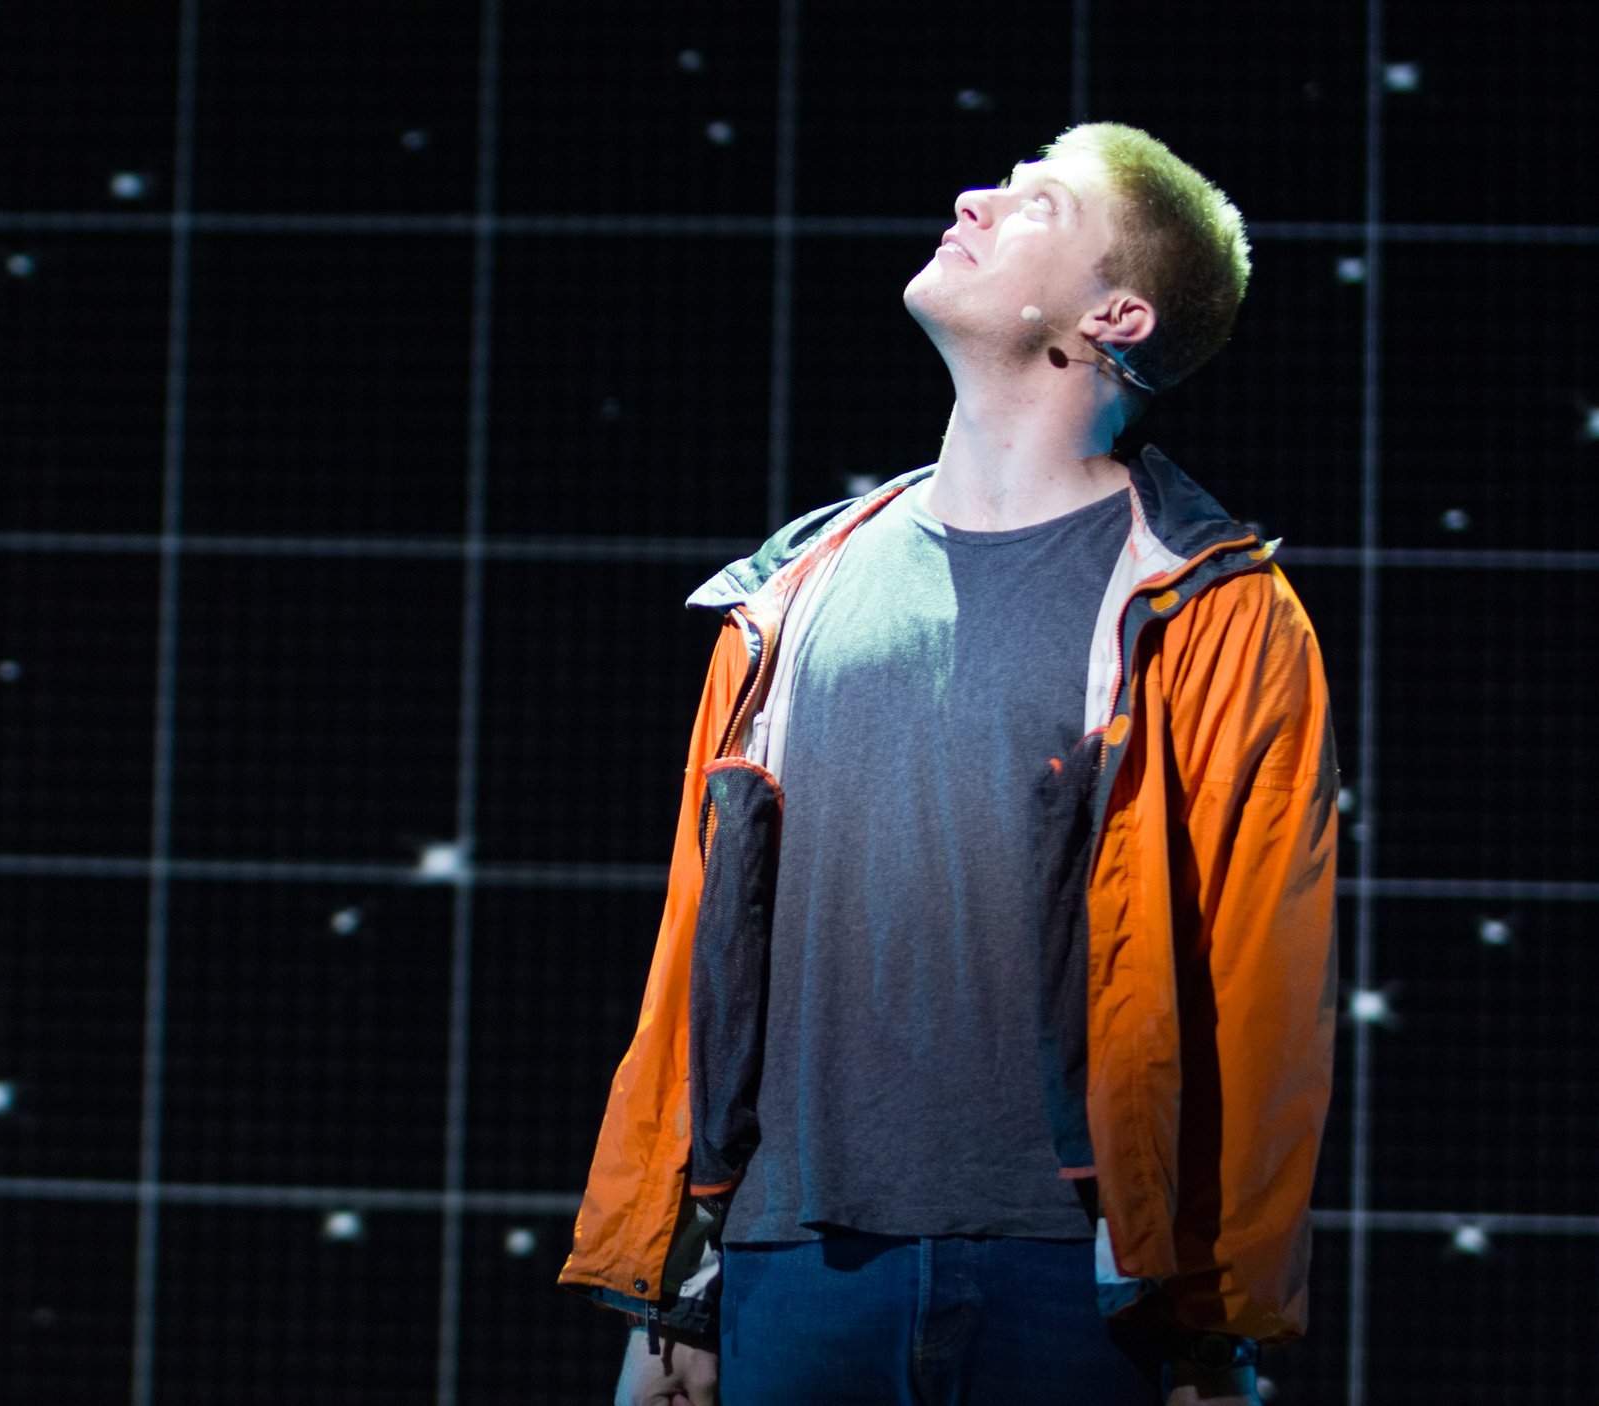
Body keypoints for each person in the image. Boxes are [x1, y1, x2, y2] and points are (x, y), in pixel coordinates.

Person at [559, 122, 1337, 1406]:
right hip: (790, 1271)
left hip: (1077, 1294)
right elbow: (705, 954)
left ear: (1117, 312)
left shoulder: (1212, 613)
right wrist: (680, 1288)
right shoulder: (790, 590)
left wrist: (1214, 1325)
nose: (973, 196)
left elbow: (1261, 983)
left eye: (1037, 203)